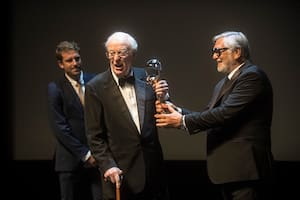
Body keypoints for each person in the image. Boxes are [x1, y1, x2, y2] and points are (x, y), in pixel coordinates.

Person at [155, 31, 274, 200]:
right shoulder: (223, 83)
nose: (214, 56)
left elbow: (224, 114)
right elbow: (210, 115)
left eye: (219, 51)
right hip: (230, 171)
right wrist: (177, 110)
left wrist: (182, 121)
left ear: (237, 52)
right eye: (213, 52)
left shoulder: (252, 76)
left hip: (247, 171)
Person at [84, 31, 170, 200]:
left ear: (133, 54)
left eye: (122, 52)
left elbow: (163, 112)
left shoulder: (146, 77)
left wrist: (164, 97)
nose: (116, 58)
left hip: (153, 171)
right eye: (112, 53)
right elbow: (94, 136)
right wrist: (108, 166)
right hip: (120, 174)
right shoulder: (96, 87)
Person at [47, 41, 102, 200]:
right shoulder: (55, 88)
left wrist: (98, 152)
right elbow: (59, 127)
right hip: (70, 161)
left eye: (77, 59)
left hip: (98, 158)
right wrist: (85, 154)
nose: (75, 63)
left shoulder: (96, 81)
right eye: (69, 60)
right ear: (60, 64)